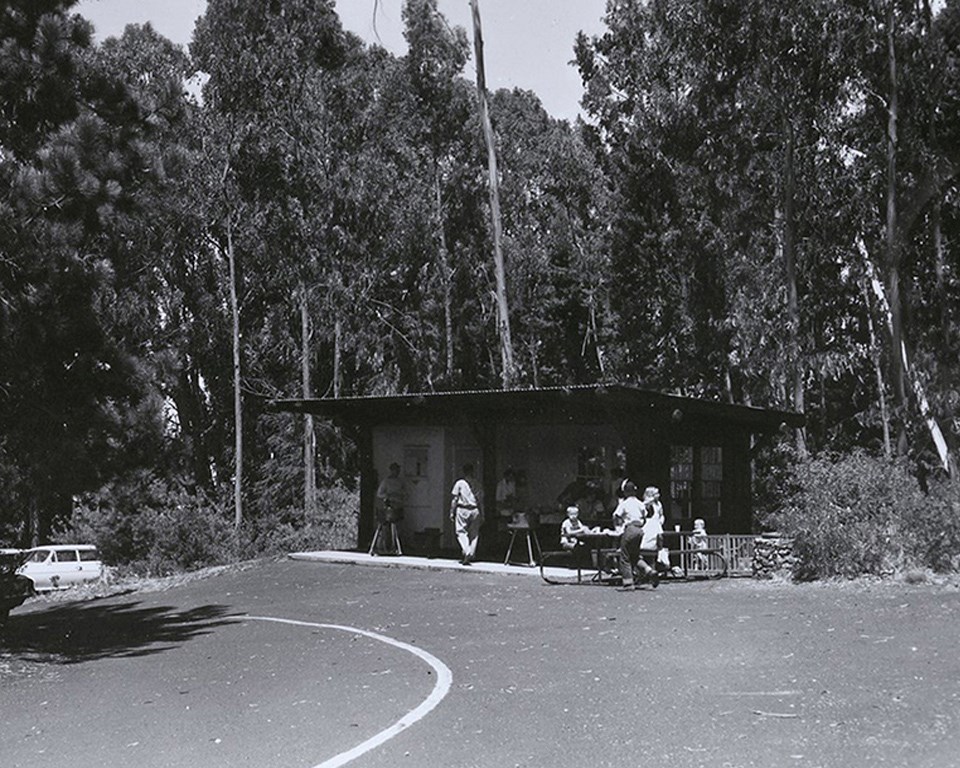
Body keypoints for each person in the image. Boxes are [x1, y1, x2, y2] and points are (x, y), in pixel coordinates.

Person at [614, 481, 659, 589]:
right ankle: (649, 571)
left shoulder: (624, 503)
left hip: (630, 528)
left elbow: (616, 515)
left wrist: (618, 526)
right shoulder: (640, 503)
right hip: (640, 530)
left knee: (624, 556)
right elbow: (645, 516)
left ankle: (628, 582)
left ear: (625, 492)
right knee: (634, 555)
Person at [450, 463, 482, 565]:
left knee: (461, 531)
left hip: (462, 509)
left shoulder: (459, 483)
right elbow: (481, 500)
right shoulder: (477, 484)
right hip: (475, 509)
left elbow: (455, 499)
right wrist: (482, 513)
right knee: (474, 533)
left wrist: (452, 512)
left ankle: (466, 550)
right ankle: (471, 554)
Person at [374, 462, 404, 553]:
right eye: (395, 470)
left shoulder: (400, 482)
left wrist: (399, 495)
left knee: (397, 528)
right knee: (386, 528)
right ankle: (385, 546)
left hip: (397, 506)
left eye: (398, 470)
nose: (397, 472)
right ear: (391, 470)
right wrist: (387, 496)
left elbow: (404, 493)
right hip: (388, 506)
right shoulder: (386, 481)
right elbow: (379, 494)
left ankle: (395, 546)